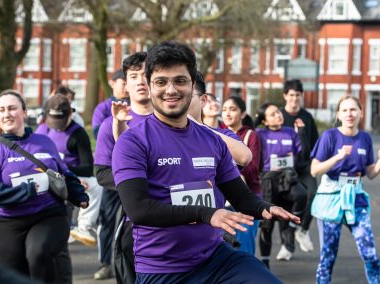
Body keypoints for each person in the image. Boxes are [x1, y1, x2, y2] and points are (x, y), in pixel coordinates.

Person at [112, 41, 299, 284]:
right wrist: (206, 214)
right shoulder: (133, 142)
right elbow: (139, 210)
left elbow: (240, 197)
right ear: (149, 86)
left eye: (179, 81)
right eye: (161, 82)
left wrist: (264, 207)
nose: (171, 89)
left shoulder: (213, 140)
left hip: (215, 259)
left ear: (192, 85)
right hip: (163, 269)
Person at [0, 90, 89, 283]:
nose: (7, 114)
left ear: (24, 112)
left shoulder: (44, 142)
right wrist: (26, 190)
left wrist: (78, 194)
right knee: (13, 276)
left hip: (48, 215)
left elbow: (63, 173)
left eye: (12, 108)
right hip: (8, 223)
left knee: (37, 253)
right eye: (2, 110)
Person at [94, 52, 152, 282]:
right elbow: (102, 173)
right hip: (136, 221)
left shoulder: (175, 120)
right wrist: (139, 184)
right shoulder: (111, 124)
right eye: (133, 76)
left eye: (145, 74)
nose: (140, 81)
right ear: (125, 85)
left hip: (180, 219)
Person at [310, 95, 380, 284]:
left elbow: (370, 173)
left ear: (361, 113)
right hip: (331, 199)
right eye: (345, 110)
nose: (349, 114)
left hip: (356, 199)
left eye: (353, 110)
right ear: (339, 114)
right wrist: (337, 158)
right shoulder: (330, 136)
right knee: (328, 256)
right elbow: (314, 170)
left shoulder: (364, 138)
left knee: (370, 253)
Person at [35, 94, 101, 247]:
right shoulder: (41, 130)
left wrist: (65, 170)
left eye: (61, 121)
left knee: (96, 185)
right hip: (43, 175)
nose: (57, 126)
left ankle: (84, 227)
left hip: (72, 175)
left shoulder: (78, 134)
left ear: (70, 114)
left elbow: (87, 167)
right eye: (53, 121)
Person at [255, 102, 308, 268]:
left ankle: (292, 229)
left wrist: (302, 133)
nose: (278, 115)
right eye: (272, 114)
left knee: (301, 195)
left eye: (278, 111)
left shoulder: (291, 132)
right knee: (267, 225)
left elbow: (304, 155)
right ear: (264, 121)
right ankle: (265, 264)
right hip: (267, 180)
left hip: (287, 178)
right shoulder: (259, 133)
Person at [280, 79, 318, 252]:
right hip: (284, 168)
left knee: (313, 195)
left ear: (302, 96)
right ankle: (286, 247)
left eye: (298, 95)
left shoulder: (307, 117)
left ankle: (302, 230)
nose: (295, 98)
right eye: (291, 95)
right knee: (286, 205)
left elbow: (315, 144)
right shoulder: (279, 116)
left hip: (304, 167)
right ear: (285, 96)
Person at [222, 96, 261, 255]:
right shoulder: (216, 133)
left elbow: (252, 170)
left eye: (233, 109)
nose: (227, 113)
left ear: (243, 113)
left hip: (246, 198)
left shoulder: (251, 136)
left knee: (244, 250)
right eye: (224, 109)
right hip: (222, 201)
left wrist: (228, 170)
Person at [92, 69, 128, 138]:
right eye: (123, 84)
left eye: (128, 84)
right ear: (112, 83)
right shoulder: (102, 108)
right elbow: (97, 133)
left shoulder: (134, 106)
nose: (126, 88)